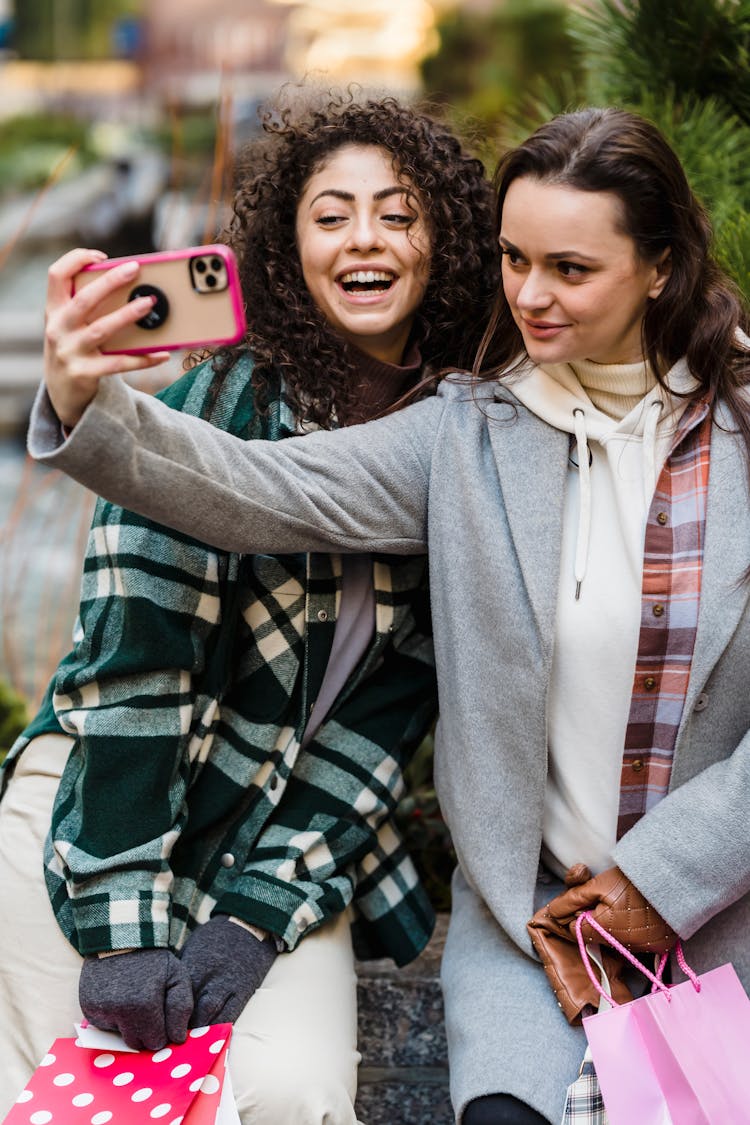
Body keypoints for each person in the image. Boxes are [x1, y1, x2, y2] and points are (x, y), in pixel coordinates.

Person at [27, 105, 750, 1123]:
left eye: (571, 271)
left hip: (725, 917)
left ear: (661, 268)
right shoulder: (472, 435)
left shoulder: (740, 427)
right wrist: (88, 405)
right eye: (513, 259)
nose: (531, 297)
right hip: (537, 926)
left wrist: (663, 879)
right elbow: (249, 488)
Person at [0, 86, 500, 1121]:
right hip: (104, 806)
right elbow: (134, 673)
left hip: (283, 822)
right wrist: (128, 923)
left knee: (291, 1091)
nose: (366, 238)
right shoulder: (209, 412)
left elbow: (385, 717)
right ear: (287, 248)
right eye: (332, 215)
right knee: (60, 1087)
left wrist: (256, 916)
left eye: (399, 213)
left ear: (443, 243)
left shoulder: (468, 441)